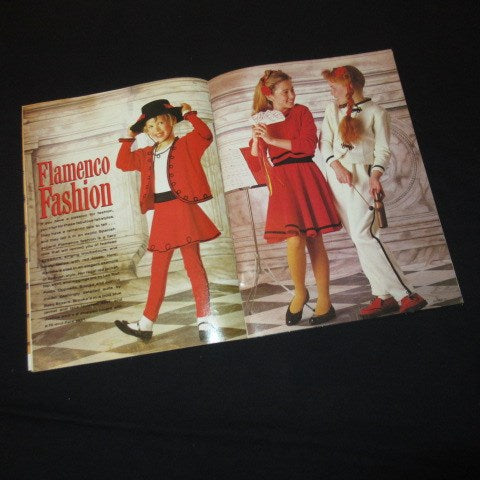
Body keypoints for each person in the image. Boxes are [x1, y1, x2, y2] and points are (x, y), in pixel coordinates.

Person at [320, 65, 427, 319]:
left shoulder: (377, 112)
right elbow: (324, 142)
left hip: (363, 178)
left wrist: (375, 177)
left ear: (349, 85)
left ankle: (407, 294)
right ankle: (382, 294)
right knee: (360, 239)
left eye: (334, 87)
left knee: (364, 235)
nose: (331, 92)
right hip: (337, 178)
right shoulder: (331, 110)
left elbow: (383, 151)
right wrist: (336, 166)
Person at [240, 70, 342, 326]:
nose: (291, 95)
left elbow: (307, 146)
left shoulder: (302, 112)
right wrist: (257, 139)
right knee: (294, 240)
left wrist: (272, 139)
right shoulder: (263, 119)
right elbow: (257, 160)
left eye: (292, 90)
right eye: (285, 92)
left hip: (306, 175)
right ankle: (300, 292)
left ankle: (325, 300)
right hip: (283, 183)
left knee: (315, 240)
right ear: (270, 96)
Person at [114, 99, 221, 341]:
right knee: (158, 271)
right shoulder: (145, 154)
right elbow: (122, 163)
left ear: (171, 121)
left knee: (194, 266)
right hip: (162, 215)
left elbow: (205, 135)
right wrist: (130, 137)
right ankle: (146, 324)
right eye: (150, 127)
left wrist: (189, 115)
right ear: (146, 131)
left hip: (183, 210)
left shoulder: (186, 144)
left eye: (160, 122)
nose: (157, 129)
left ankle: (205, 318)